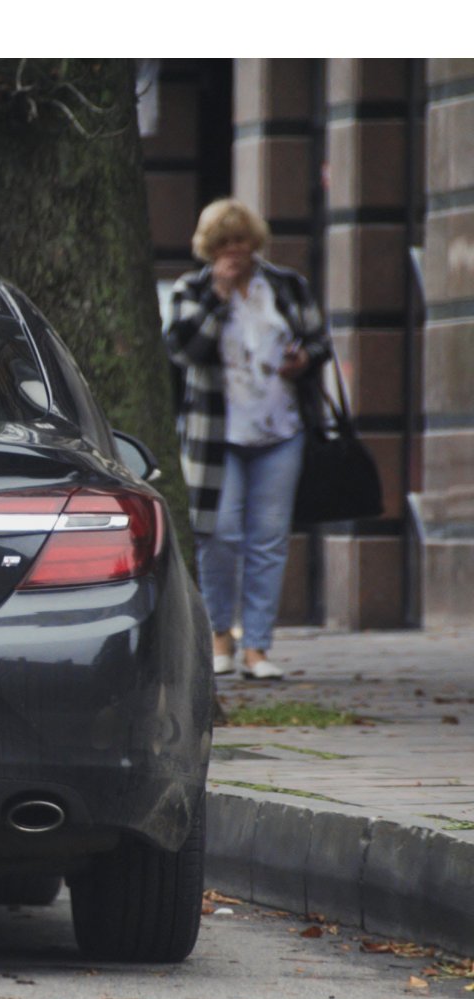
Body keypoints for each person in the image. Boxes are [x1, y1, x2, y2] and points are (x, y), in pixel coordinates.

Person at [165, 198, 332, 680]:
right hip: (216, 436)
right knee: (218, 534)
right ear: (209, 249)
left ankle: (258, 646)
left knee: (269, 539)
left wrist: (304, 360)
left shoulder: (284, 285)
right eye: (224, 244)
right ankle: (220, 636)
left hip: (280, 430)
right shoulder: (192, 289)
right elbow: (185, 350)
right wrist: (219, 295)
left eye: (242, 241)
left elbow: (319, 340)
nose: (235, 252)